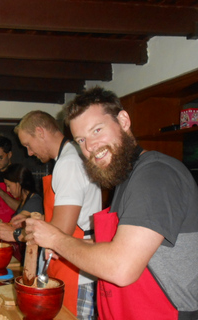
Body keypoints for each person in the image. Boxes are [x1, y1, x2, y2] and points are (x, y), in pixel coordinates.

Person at [25, 87, 198, 319]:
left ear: (124, 120)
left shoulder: (155, 174)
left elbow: (121, 267)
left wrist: (56, 240)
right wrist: (69, 247)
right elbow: (119, 246)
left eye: (97, 130)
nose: (90, 147)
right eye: (81, 140)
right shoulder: (127, 179)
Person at [15, 110, 102, 319]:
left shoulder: (69, 163)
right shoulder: (67, 157)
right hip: (68, 260)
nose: (29, 153)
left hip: (78, 270)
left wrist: (18, 235)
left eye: (28, 145)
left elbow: (61, 231)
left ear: (40, 132)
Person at [0, 163, 43, 263]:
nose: (8, 190)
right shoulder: (25, 201)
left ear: (18, 183)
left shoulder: (34, 201)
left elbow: (14, 226)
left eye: (9, 185)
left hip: (31, 258)